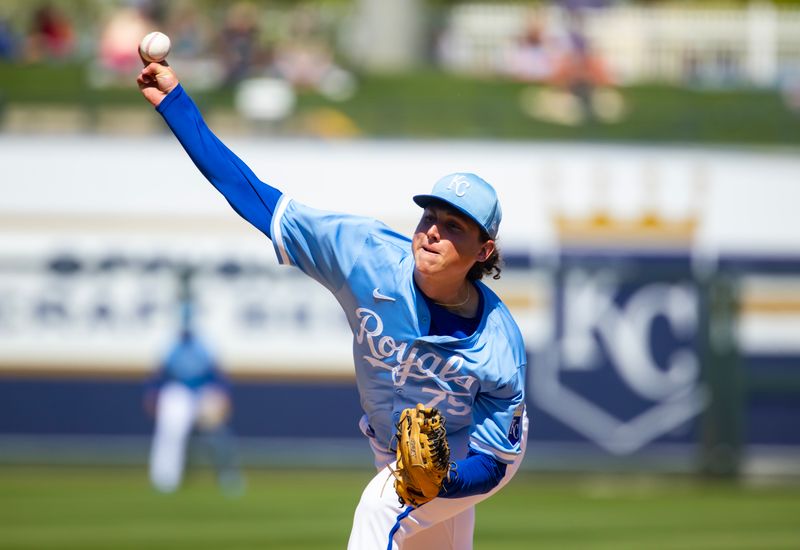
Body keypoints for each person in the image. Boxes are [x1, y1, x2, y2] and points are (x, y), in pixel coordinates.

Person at [136, 58, 528, 549]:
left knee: (379, 508)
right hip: (390, 446)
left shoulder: (498, 342)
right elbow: (255, 197)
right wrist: (175, 104)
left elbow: (496, 462)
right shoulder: (362, 254)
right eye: (430, 215)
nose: (432, 231)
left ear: (483, 251)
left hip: (466, 460)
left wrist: (442, 482)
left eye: (454, 226)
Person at [144, 296, 244, 496]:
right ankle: (165, 480)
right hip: (179, 393)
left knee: (217, 435)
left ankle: (228, 476)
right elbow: (158, 376)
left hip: (201, 393)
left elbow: (218, 376)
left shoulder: (203, 344)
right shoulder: (171, 345)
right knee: (170, 432)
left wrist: (223, 396)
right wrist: (152, 395)